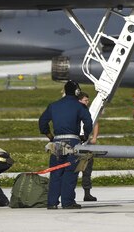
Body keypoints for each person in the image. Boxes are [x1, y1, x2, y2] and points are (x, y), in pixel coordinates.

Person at [38, 80, 93, 210]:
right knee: (70, 172)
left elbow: (42, 122)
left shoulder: (54, 105)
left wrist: (50, 137)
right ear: (77, 92)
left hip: (57, 142)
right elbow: (88, 123)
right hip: (72, 142)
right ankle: (67, 202)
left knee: (56, 172)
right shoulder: (80, 106)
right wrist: (85, 136)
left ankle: (52, 202)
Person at [76, 92, 99, 202]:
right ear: (79, 100)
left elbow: (95, 123)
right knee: (73, 171)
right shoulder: (74, 111)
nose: (87, 102)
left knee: (87, 171)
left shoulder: (89, 111)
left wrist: (94, 137)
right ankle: (70, 194)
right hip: (76, 144)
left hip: (86, 144)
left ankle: (87, 193)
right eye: (85, 100)